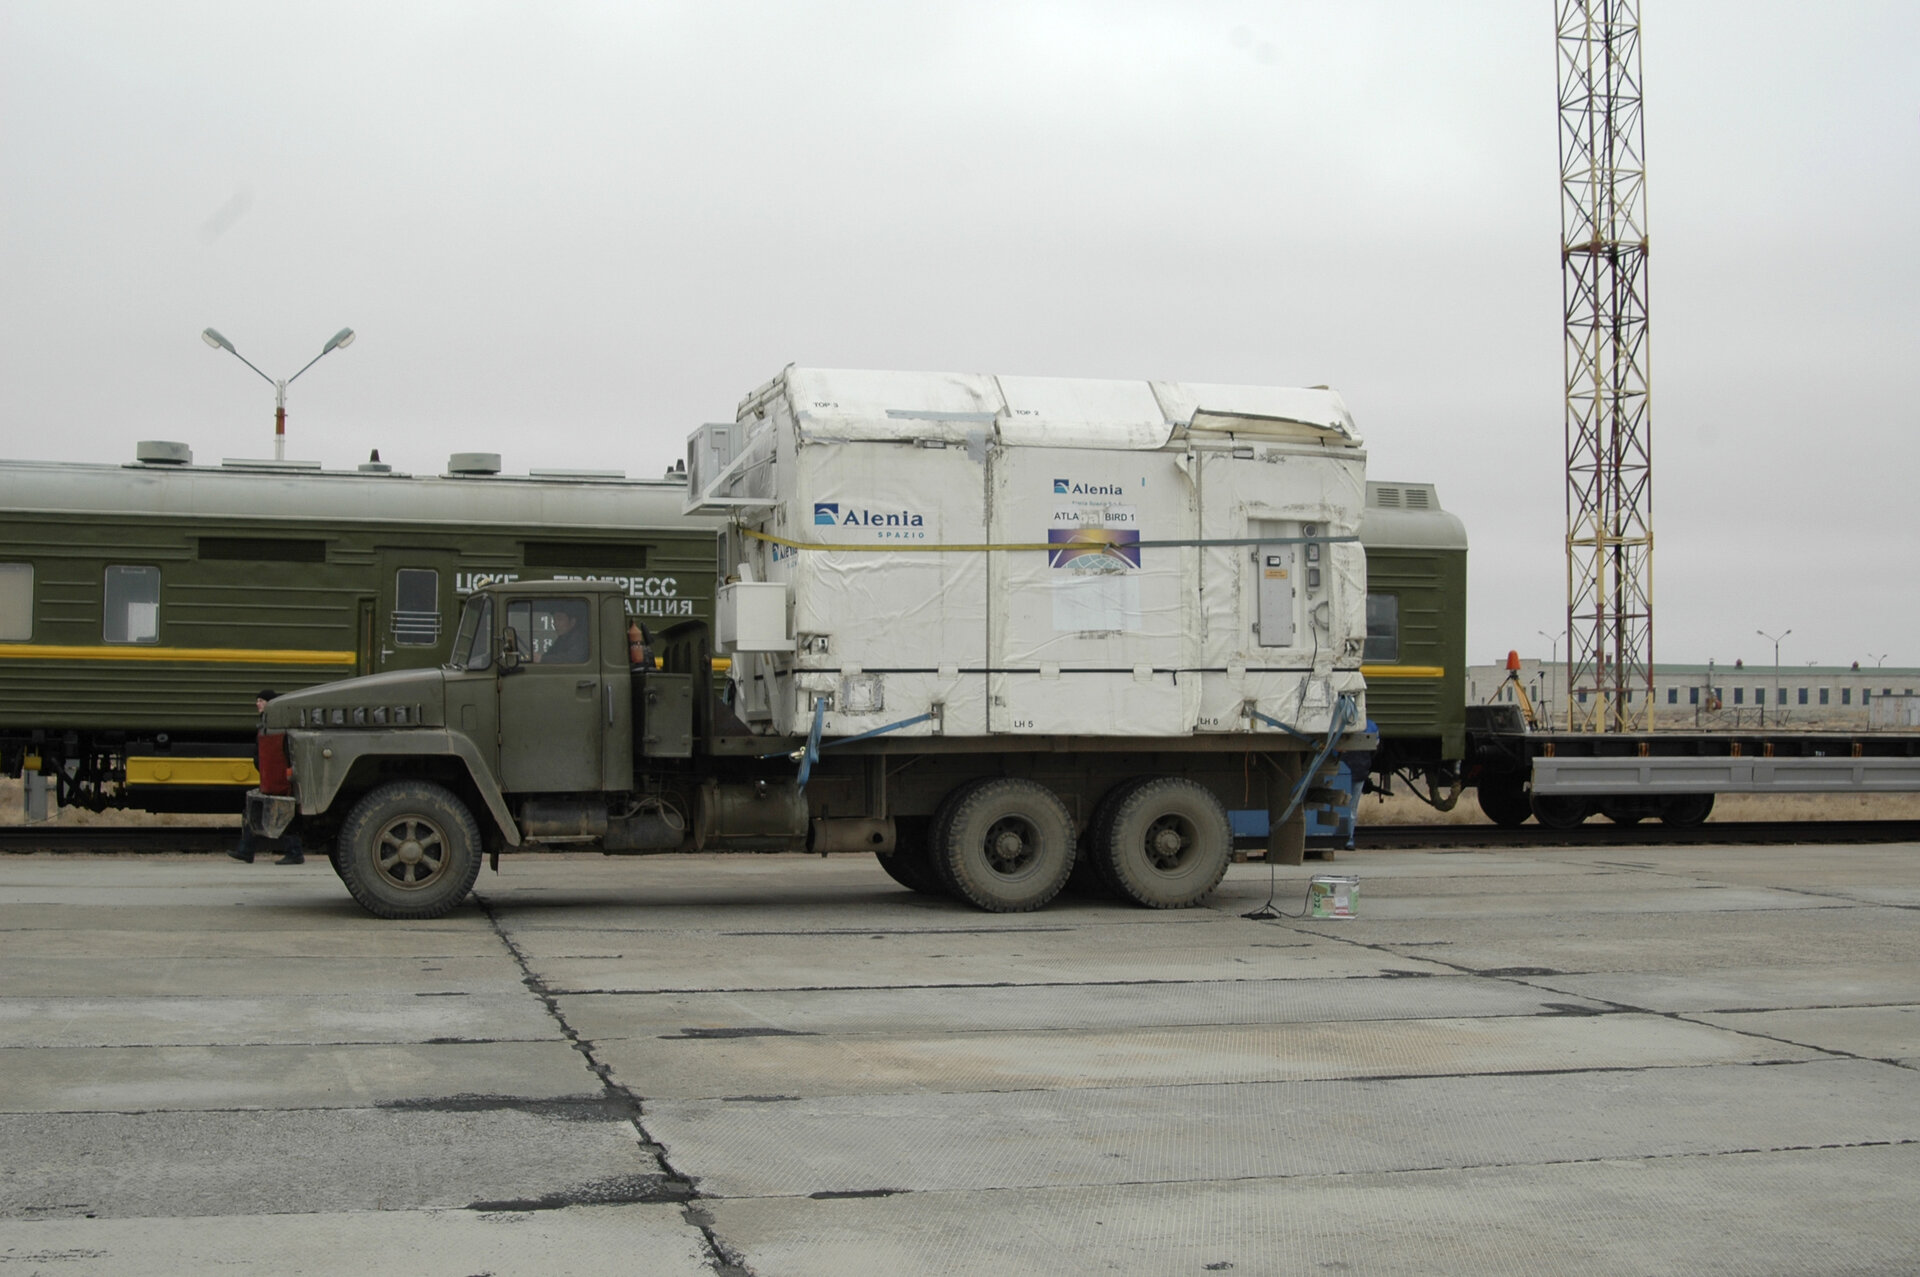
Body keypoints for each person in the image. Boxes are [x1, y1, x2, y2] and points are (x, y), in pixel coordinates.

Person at [228, 691, 304, 865]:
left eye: (261, 701)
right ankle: (246, 850)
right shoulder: (267, 723)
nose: (258, 704)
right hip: (269, 775)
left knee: (280, 811)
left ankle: (294, 852)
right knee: (256, 809)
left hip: (278, 777)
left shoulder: (277, 724)